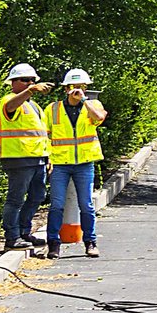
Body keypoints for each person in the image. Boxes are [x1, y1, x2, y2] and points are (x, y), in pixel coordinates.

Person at [45, 69, 108, 259]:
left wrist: (84, 101)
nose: (77, 90)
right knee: (56, 205)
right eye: (73, 87)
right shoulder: (52, 109)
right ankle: (53, 244)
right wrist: (47, 158)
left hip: (84, 163)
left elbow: (99, 118)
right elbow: (45, 135)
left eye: (81, 86)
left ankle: (90, 242)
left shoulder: (93, 104)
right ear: (65, 88)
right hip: (60, 163)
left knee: (86, 205)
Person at [0, 64, 51, 254]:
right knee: (15, 199)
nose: (30, 83)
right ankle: (12, 237)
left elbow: (42, 134)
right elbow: (10, 107)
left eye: (32, 80)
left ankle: (23, 231)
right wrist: (30, 91)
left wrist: (48, 157)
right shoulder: (9, 100)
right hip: (18, 158)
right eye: (25, 80)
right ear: (13, 82)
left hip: (37, 158)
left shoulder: (34, 106)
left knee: (38, 196)